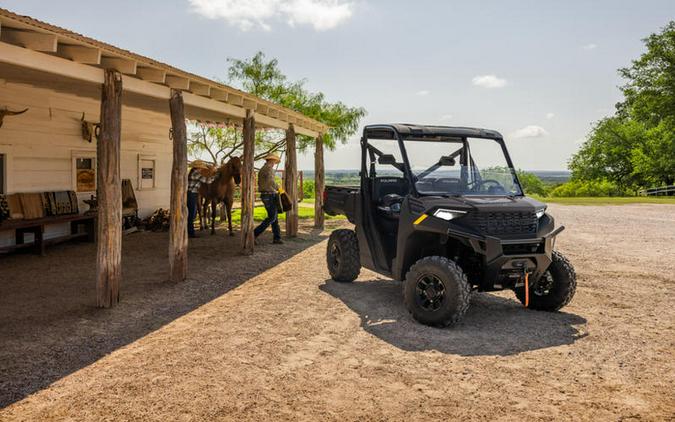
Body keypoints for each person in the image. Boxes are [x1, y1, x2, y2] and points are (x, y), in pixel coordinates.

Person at [254, 153, 283, 244]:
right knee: (272, 217)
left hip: (268, 194)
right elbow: (271, 182)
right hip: (268, 195)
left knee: (274, 217)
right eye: (274, 161)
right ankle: (254, 234)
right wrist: (280, 189)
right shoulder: (268, 169)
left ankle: (277, 238)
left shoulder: (265, 169)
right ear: (271, 160)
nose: (275, 163)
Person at [187, 160, 214, 239]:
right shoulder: (196, 174)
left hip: (192, 194)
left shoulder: (193, 173)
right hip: (191, 194)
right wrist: (215, 177)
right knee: (192, 214)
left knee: (193, 213)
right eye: (201, 167)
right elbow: (207, 181)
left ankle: (189, 231)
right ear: (197, 167)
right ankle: (190, 233)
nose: (202, 169)